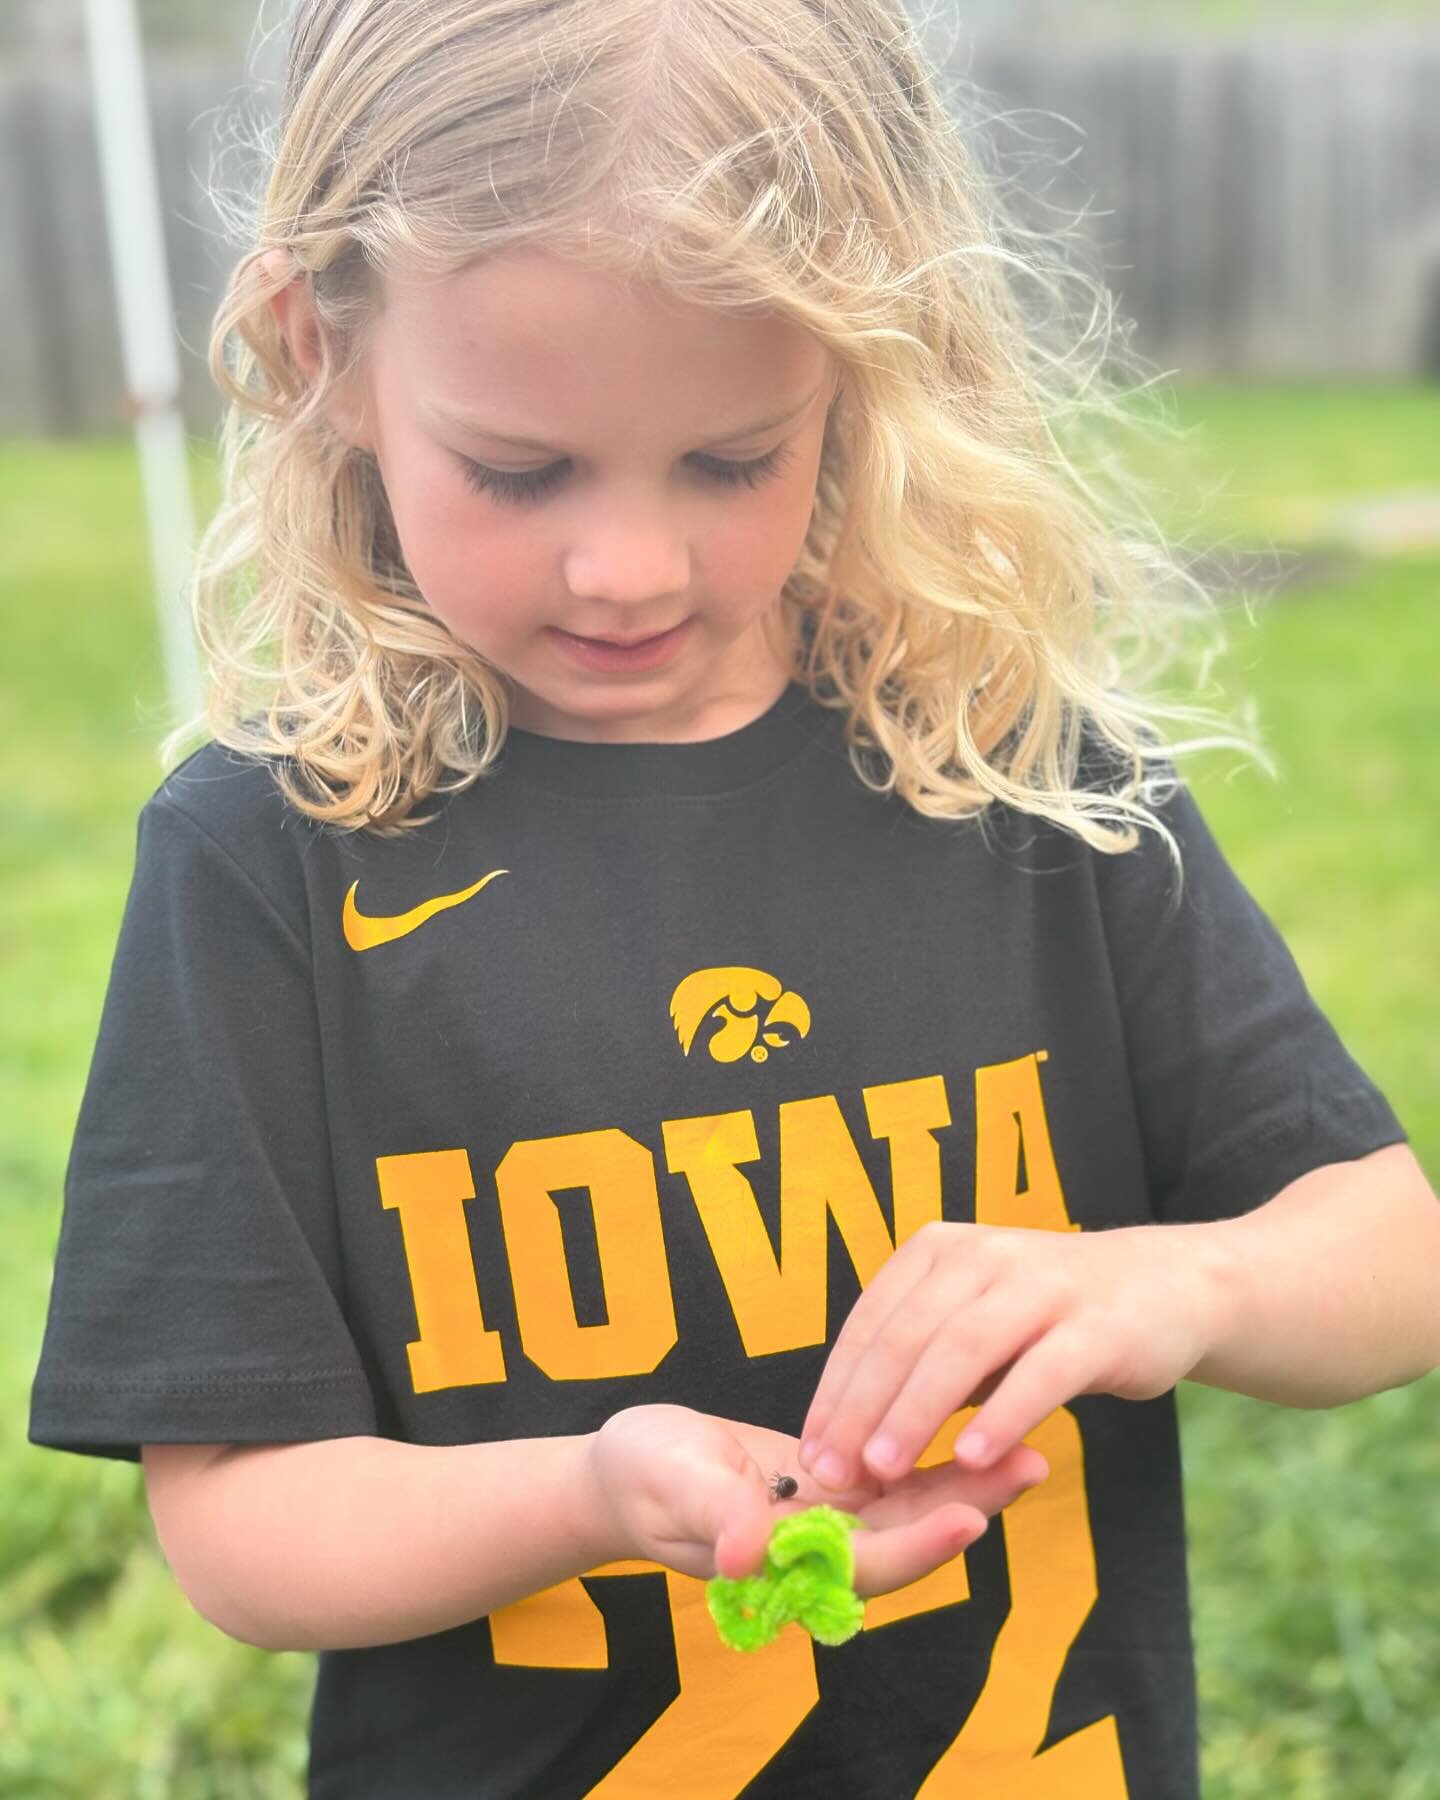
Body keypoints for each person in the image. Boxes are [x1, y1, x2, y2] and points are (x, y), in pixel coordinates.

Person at [27, 0, 1439, 1795]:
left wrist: (1184, 1281)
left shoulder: (1015, 770)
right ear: (323, 354)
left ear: (866, 369)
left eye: (731, 459)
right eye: (520, 470)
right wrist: (589, 1494)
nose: (629, 566)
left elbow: (1394, 1258)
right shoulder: (269, 857)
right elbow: (242, 1525)